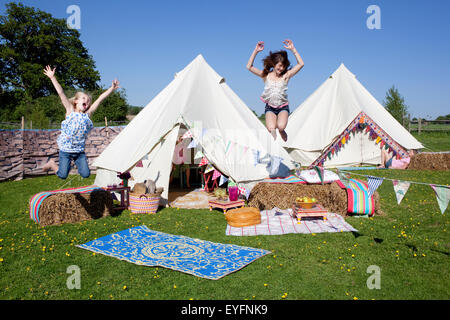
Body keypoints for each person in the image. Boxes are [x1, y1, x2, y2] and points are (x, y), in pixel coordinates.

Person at [41, 65, 120, 179]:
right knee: (63, 175)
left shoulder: (87, 115)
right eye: (84, 99)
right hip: (65, 151)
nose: (87, 102)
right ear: (76, 101)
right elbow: (61, 93)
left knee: (86, 174)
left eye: (88, 101)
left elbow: (100, 99)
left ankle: (69, 166)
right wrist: (52, 78)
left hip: (79, 152)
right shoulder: (69, 110)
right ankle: (52, 164)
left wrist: (111, 89)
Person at [246, 39, 304, 141]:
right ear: (274, 64)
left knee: (281, 126)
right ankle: (274, 143)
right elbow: (249, 67)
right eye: (280, 65)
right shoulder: (266, 75)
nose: (281, 68)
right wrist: (256, 51)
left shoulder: (286, 76)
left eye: (284, 66)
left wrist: (293, 49)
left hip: (283, 107)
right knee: (271, 128)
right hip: (270, 107)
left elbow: (301, 64)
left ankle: (281, 131)